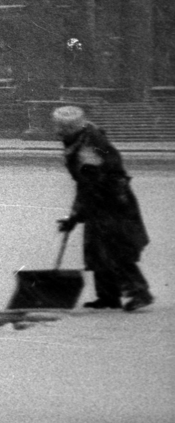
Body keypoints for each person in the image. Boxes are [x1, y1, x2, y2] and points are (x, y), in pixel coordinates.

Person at [53, 105, 153, 311]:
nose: (58, 132)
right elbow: (84, 184)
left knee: (115, 250)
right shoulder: (77, 141)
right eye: (58, 127)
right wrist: (75, 216)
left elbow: (108, 169)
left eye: (63, 128)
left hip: (113, 202)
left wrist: (83, 209)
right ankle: (108, 296)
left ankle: (140, 292)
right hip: (97, 201)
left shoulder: (93, 142)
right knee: (97, 250)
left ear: (73, 127)